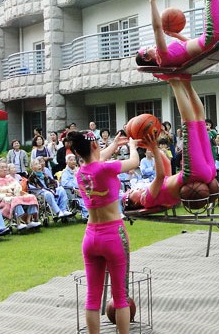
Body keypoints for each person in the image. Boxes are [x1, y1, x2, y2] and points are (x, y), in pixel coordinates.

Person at [72, 129, 140, 334]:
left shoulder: (80, 173)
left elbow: (95, 159)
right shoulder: (106, 168)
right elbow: (134, 162)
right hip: (113, 235)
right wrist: (132, 147)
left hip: (90, 236)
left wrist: (114, 146)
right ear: (94, 145)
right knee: (120, 296)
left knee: (93, 296)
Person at [124, 76, 217, 211]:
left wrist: (150, 147)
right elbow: (160, 176)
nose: (135, 189)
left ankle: (186, 82)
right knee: (189, 123)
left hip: (205, 171)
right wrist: (154, 149)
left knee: (198, 120)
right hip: (192, 174)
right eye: (131, 192)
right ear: (134, 202)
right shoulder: (146, 200)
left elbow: (166, 165)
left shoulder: (156, 194)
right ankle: (173, 81)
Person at [0, 160, 40, 231]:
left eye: (5, 167)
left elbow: (18, 187)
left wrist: (14, 191)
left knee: (31, 197)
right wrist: (7, 193)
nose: (4, 169)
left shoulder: (10, 178)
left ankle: (29, 220)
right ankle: (18, 222)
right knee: (15, 200)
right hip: (4, 200)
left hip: (15, 196)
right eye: (2, 167)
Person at [58, 154, 89, 221]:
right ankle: (86, 215)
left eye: (74, 160)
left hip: (82, 190)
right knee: (82, 200)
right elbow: (65, 183)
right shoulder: (65, 172)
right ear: (67, 162)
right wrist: (76, 186)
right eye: (71, 160)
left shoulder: (79, 170)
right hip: (72, 192)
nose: (73, 161)